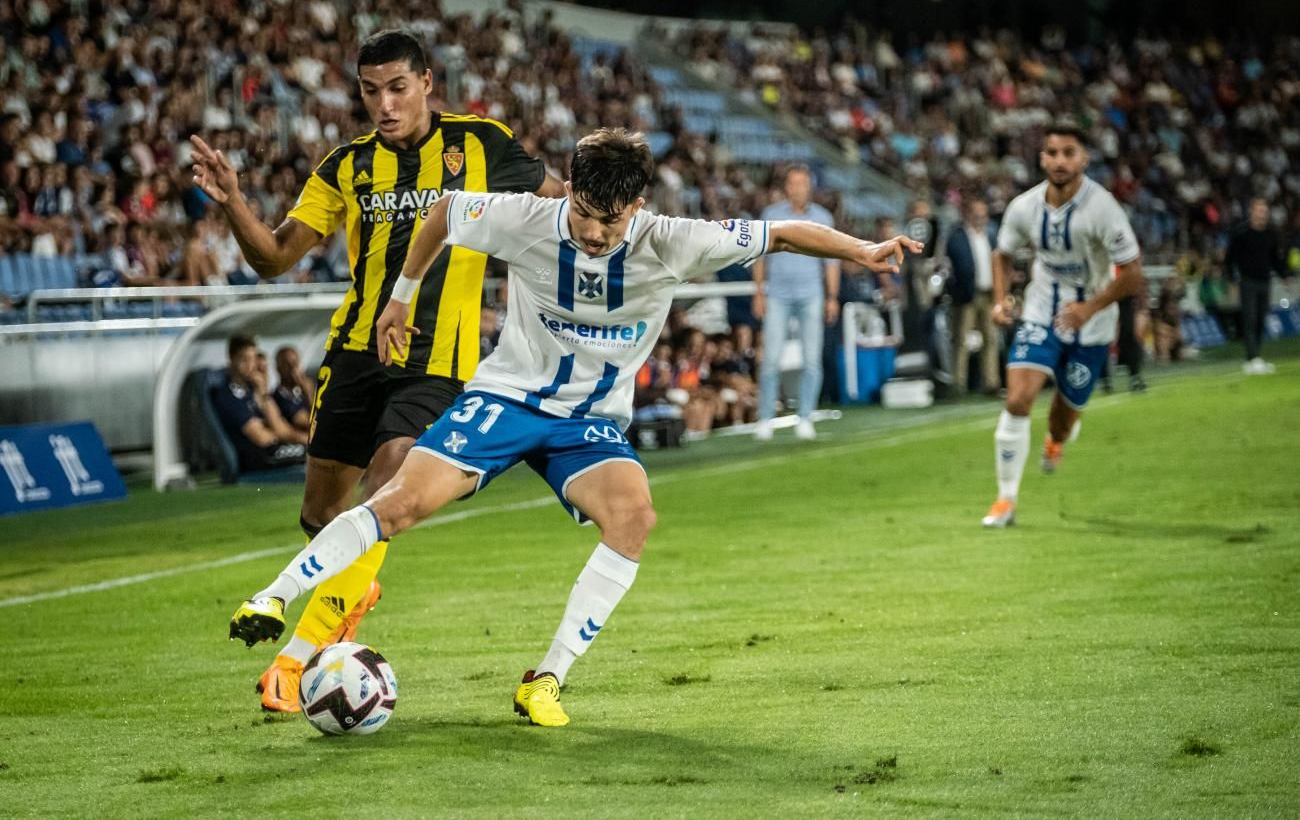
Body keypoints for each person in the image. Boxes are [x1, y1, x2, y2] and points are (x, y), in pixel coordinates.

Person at [228, 128, 921, 726]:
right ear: (570, 194)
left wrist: (860, 249)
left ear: (638, 208)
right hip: (507, 399)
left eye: (611, 222)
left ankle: (546, 679)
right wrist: (402, 296)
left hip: (587, 421)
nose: (594, 232)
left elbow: (784, 233)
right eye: (586, 214)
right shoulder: (524, 218)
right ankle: (273, 598)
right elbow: (442, 212)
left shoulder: (673, 241)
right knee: (399, 502)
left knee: (634, 516)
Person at [192, 28, 564, 713]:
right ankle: (355, 588)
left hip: (439, 361)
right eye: (370, 91)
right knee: (320, 515)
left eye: (397, 88)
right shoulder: (345, 166)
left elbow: (561, 199)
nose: (384, 104)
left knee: (385, 485)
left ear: (427, 83)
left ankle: (294, 660)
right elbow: (274, 259)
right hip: (357, 354)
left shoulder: (479, 144)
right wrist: (235, 200)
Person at [982, 124, 1144, 528]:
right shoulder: (1025, 207)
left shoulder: (1103, 208)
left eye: (1068, 152)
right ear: (1042, 158)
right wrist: (1000, 300)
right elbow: (1001, 254)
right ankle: (1005, 501)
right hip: (1041, 310)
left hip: (1093, 321)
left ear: (1084, 158)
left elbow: (1133, 273)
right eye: (1052, 152)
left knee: (1062, 418)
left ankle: (1056, 440)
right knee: (1018, 399)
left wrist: (1090, 308)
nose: (1059, 160)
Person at [753, 165, 839, 441]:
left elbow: (832, 262)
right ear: (786, 187)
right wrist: (758, 292)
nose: (797, 188)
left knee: (812, 359)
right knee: (770, 359)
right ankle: (765, 417)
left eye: (802, 183)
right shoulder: (772, 215)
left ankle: (805, 416)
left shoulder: (823, 218)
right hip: (777, 294)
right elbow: (759, 256)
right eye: (793, 183)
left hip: (811, 293)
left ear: (809, 187)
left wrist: (832, 297)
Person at [212, 335, 308, 473]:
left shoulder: (254, 391)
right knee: (312, 453)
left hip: (273, 449)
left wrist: (263, 392)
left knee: (316, 450)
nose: (251, 365)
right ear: (232, 359)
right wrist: (283, 435)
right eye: (244, 359)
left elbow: (280, 426)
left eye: (253, 359)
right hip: (256, 457)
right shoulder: (227, 396)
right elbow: (262, 438)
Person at [945, 198, 1000, 395]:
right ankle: (958, 384)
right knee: (961, 339)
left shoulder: (991, 236)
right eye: (977, 214)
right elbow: (956, 266)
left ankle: (991, 382)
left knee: (990, 338)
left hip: (988, 293)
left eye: (983, 214)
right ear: (968, 214)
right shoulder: (958, 237)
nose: (980, 218)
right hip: (967, 294)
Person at [1227, 198, 1287, 374]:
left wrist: (1284, 275)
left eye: (1264, 210)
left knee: (1260, 319)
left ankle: (1255, 357)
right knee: (1250, 319)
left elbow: (1275, 258)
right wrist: (1231, 276)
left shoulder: (1270, 234)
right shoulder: (1241, 233)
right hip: (1248, 281)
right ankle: (1252, 357)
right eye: (1259, 210)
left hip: (1265, 281)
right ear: (1251, 211)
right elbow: (1230, 257)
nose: (1262, 213)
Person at [272, 346, 314, 435]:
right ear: (278, 368)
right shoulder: (280, 396)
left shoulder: (300, 392)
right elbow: (310, 423)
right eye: (287, 364)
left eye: (295, 363)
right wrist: (308, 392)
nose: (293, 368)